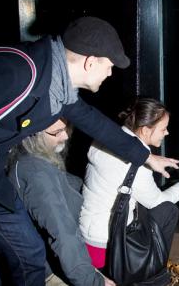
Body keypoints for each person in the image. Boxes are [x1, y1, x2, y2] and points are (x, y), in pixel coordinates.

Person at [0, 16, 179, 286]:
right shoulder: (15, 74)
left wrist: (146, 157)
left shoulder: (55, 81)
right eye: (110, 65)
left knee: (30, 253)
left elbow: (93, 122)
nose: (111, 72)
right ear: (90, 62)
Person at [80, 97, 179, 271]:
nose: (167, 133)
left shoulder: (105, 140)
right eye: (163, 128)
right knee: (168, 211)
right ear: (146, 131)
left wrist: (150, 159)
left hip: (86, 239)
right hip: (107, 249)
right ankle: (153, 269)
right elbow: (158, 202)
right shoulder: (137, 166)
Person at [9, 118, 115, 286]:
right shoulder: (36, 174)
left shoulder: (35, 156)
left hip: (64, 258)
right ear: (33, 133)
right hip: (50, 270)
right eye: (57, 132)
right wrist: (93, 281)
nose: (65, 136)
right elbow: (63, 233)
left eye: (65, 129)